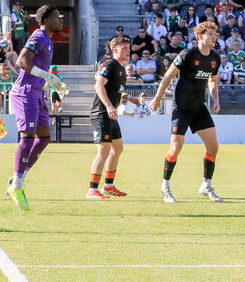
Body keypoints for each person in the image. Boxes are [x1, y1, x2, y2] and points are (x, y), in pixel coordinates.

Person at [149, 20, 223, 204]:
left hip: (199, 107)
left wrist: (216, 98)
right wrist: (157, 98)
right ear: (200, 37)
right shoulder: (187, 54)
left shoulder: (215, 57)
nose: (214, 37)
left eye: (215, 34)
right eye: (210, 34)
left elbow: (212, 80)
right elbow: (168, 76)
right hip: (181, 107)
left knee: (213, 146)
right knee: (175, 148)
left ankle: (206, 185)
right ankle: (165, 187)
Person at [7, 6, 69, 210]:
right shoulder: (38, 36)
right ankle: (16, 185)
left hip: (37, 92)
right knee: (27, 136)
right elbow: (22, 62)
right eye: (57, 17)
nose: (61, 20)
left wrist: (52, 83)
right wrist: (49, 77)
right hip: (25, 91)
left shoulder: (48, 41)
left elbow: (39, 70)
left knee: (44, 138)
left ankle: (17, 179)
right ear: (46, 19)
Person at [88, 36, 143, 199]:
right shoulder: (111, 64)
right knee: (104, 150)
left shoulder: (121, 69)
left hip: (111, 115)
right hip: (101, 113)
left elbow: (117, 92)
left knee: (117, 148)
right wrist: (109, 106)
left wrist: (132, 100)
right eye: (124, 47)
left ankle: (109, 186)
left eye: (129, 47)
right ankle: (92, 190)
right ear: (115, 50)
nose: (128, 50)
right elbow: (99, 85)